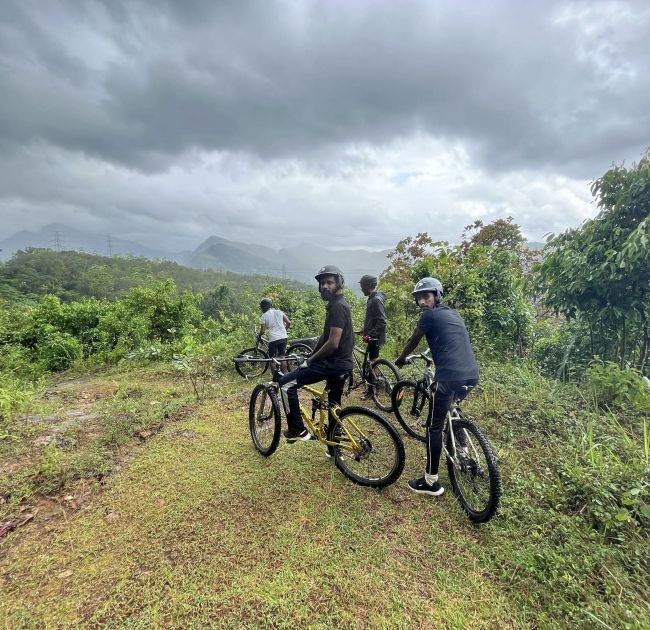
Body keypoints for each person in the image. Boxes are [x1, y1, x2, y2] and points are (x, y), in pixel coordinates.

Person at [395, 277, 479, 497]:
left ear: (437, 295)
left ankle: (430, 481)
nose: (422, 302)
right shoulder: (453, 314)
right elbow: (451, 340)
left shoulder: (428, 316)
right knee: (453, 405)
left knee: (434, 426)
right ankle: (463, 450)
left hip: (449, 376)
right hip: (471, 375)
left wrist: (401, 359)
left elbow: (413, 341)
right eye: (419, 299)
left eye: (426, 296)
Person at [278, 265, 354, 441]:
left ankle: (297, 430)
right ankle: (334, 449)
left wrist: (310, 361)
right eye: (322, 283)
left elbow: (333, 343)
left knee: (285, 384)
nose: (325, 286)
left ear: (339, 283)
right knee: (334, 406)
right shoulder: (337, 305)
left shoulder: (337, 307)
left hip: (333, 364)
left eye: (329, 282)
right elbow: (325, 337)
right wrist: (310, 355)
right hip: (343, 364)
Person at [358, 274, 387, 399]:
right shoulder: (372, 297)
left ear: (367, 286)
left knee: (372, 364)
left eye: (362, 286)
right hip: (372, 336)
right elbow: (373, 318)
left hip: (374, 338)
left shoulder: (375, 300)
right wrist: (365, 329)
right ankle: (374, 388)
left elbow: (382, 321)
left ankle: (372, 391)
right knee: (372, 363)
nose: (361, 288)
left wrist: (370, 334)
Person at [259, 298, 291, 371]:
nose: (261, 309)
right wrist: (284, 330)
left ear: (264, 307)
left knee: (272, 359)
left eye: (262, 307)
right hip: (283, 337)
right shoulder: (279, 312)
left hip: (273, 339)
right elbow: (289, 322)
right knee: (282, 357)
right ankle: (285, 374)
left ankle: (275, 377)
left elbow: (263, 330)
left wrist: (259, 335)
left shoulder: (264, 316)